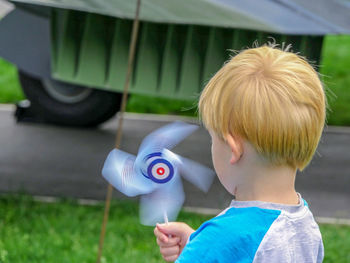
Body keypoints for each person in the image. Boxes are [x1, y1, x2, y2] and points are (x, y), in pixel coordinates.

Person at [154, 44, 326, 262]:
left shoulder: (222, 238)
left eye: (213, 138)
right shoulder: (304, 225)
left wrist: (204, 250)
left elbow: (233, 244)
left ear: (233, 148)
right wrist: (197, 245)